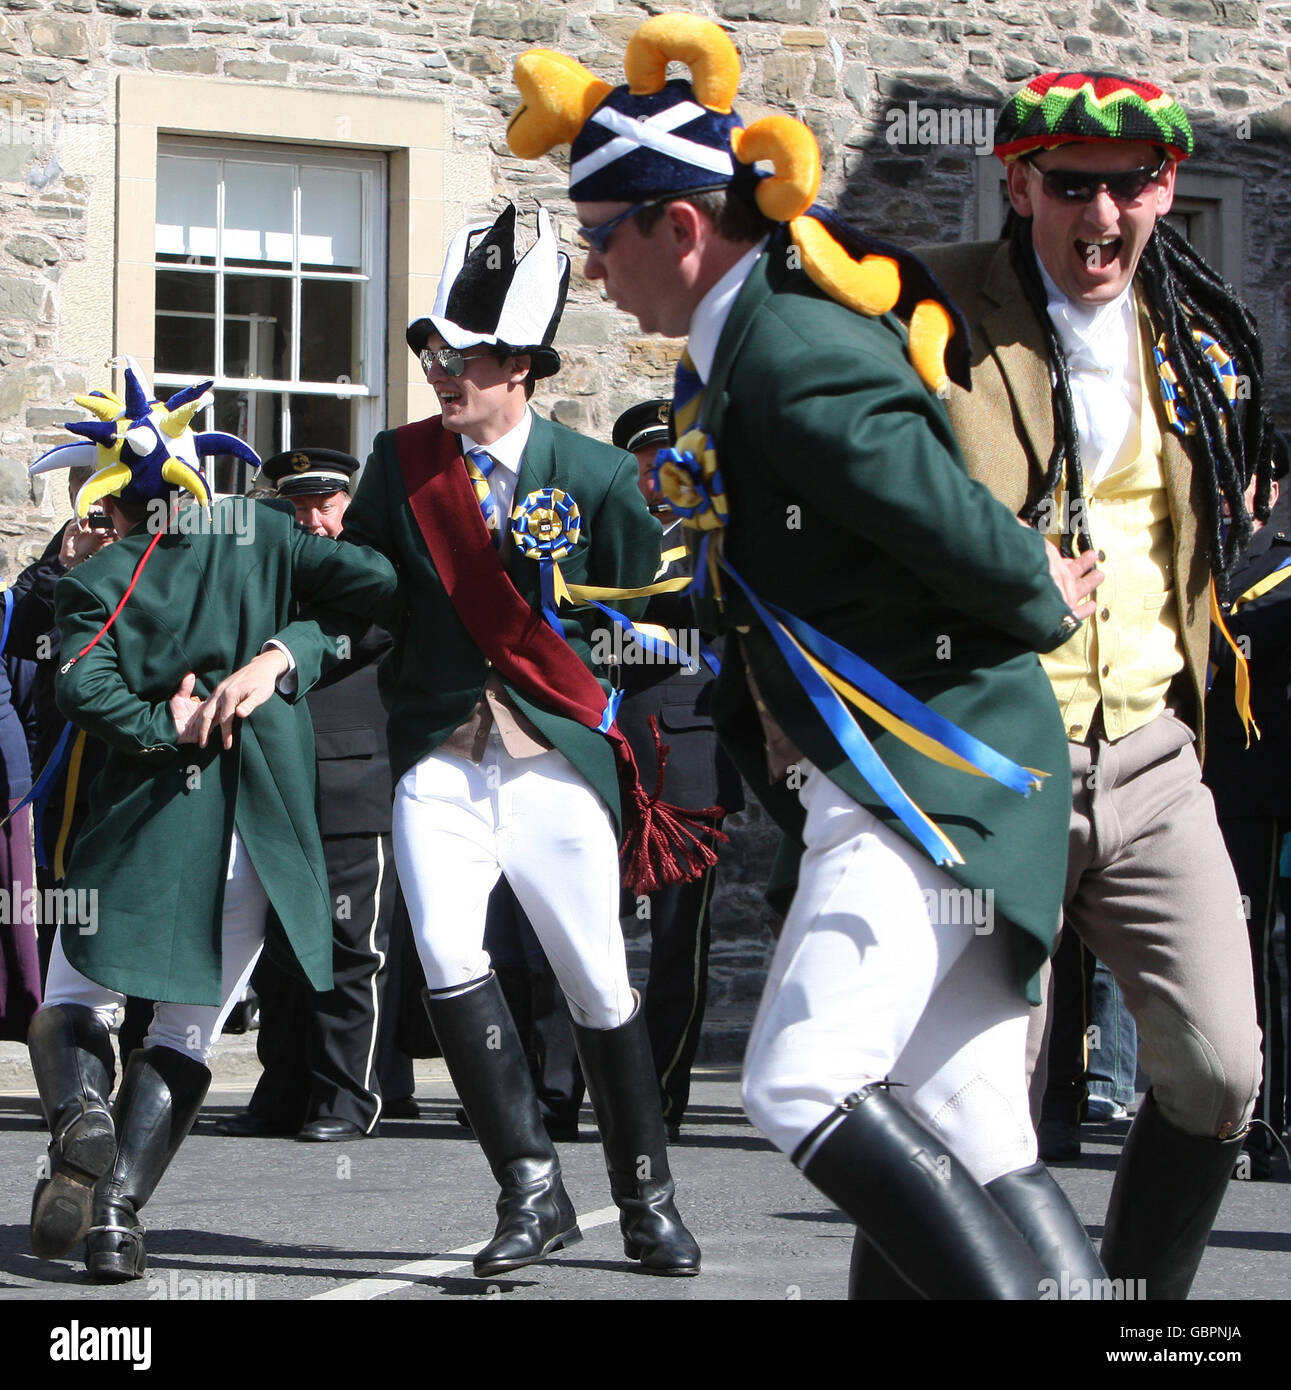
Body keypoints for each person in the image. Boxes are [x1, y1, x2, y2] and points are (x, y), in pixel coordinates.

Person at [508, 13, 1104, 1298]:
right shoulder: (746, 349)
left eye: (600, 238)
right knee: (973, 1117)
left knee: (797, 1077)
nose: (596, 275)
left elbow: (936, 511)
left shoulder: (785, 356)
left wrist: (1039, 586)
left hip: (929, 773)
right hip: (924, 771)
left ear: (679, 224)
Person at [211, 203, 706, 1277]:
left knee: (595, 983)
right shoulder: (399, 465)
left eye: (465, 356)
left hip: (552, 758)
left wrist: (593, 668)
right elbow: (367, 599)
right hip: (436, 750)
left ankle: (646, 1194)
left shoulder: (601, 476)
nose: (443, 371)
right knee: (443, 956)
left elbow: (660, 625)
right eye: (433, 350)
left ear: (521, 365)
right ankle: (529, 1187)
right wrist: (284, 655)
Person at [919, 71, 1274, 1296]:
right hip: (988, 762)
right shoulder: (933, 312)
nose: (1104, 214)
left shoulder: (1198, 332)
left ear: (1168, 190)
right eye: (1071, 183)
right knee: (967, 1102)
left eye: (1133, 184)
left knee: (1222, 1070)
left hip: (1152, 757)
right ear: (1017, 184)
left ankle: (1136, 1313)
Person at [24, 361, 396, 1280]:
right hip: (253, 823)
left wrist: (169, 723)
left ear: (107, 488)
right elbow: (381, 586)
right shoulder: (269, 532)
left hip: (141, 817)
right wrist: (289, 650)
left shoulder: (100, 574)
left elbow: (80, 685)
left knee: (75, 1000)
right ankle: (116, 1221)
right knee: (188, 1031)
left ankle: (84, 1121)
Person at [216, 446, 415, 1142]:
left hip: (352, 776)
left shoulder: (376, 572)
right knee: (281, 948)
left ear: (348, 504)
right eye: (296, 506)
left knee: (351, 943)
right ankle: (284, 1088)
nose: (311, 519)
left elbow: (361, 629)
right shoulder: (274, 568)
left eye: (324, 504)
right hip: (277, 778)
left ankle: (348, 1095)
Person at [611, 398, 742, 1138]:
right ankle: (562, 1090)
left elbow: (734, 641)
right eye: (644, 461)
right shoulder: (599, 532)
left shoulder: (719, 538)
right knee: (579, 927)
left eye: (669, 457)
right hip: (605, 747)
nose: (656, 473)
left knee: (676, 943)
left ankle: (660, 1094)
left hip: (688, 758)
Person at [1203, 439, 1291, 1178]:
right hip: (1193, 779)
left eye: (1245, 474)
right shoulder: (1202, 553)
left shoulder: (1283, 566)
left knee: (1257, 949)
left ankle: (1267, 1120)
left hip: (1257, 785)